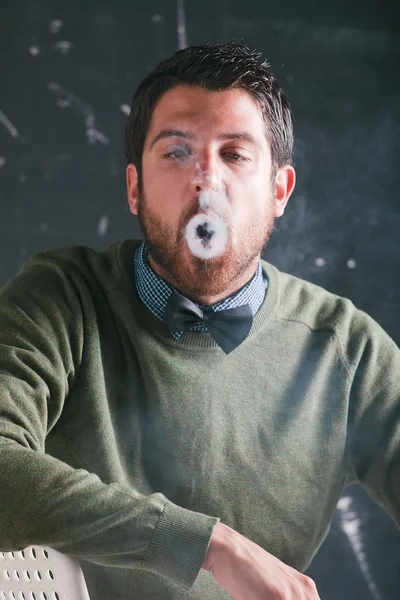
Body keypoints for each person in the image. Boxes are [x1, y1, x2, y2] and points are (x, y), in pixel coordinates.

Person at [0, 41, 398, 600]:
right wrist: (206, 544)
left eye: (234, 155)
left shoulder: (348, 352)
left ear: (279, 191)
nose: (206, 180)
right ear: (135, 187)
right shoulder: (61, 299)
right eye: (177, 152)